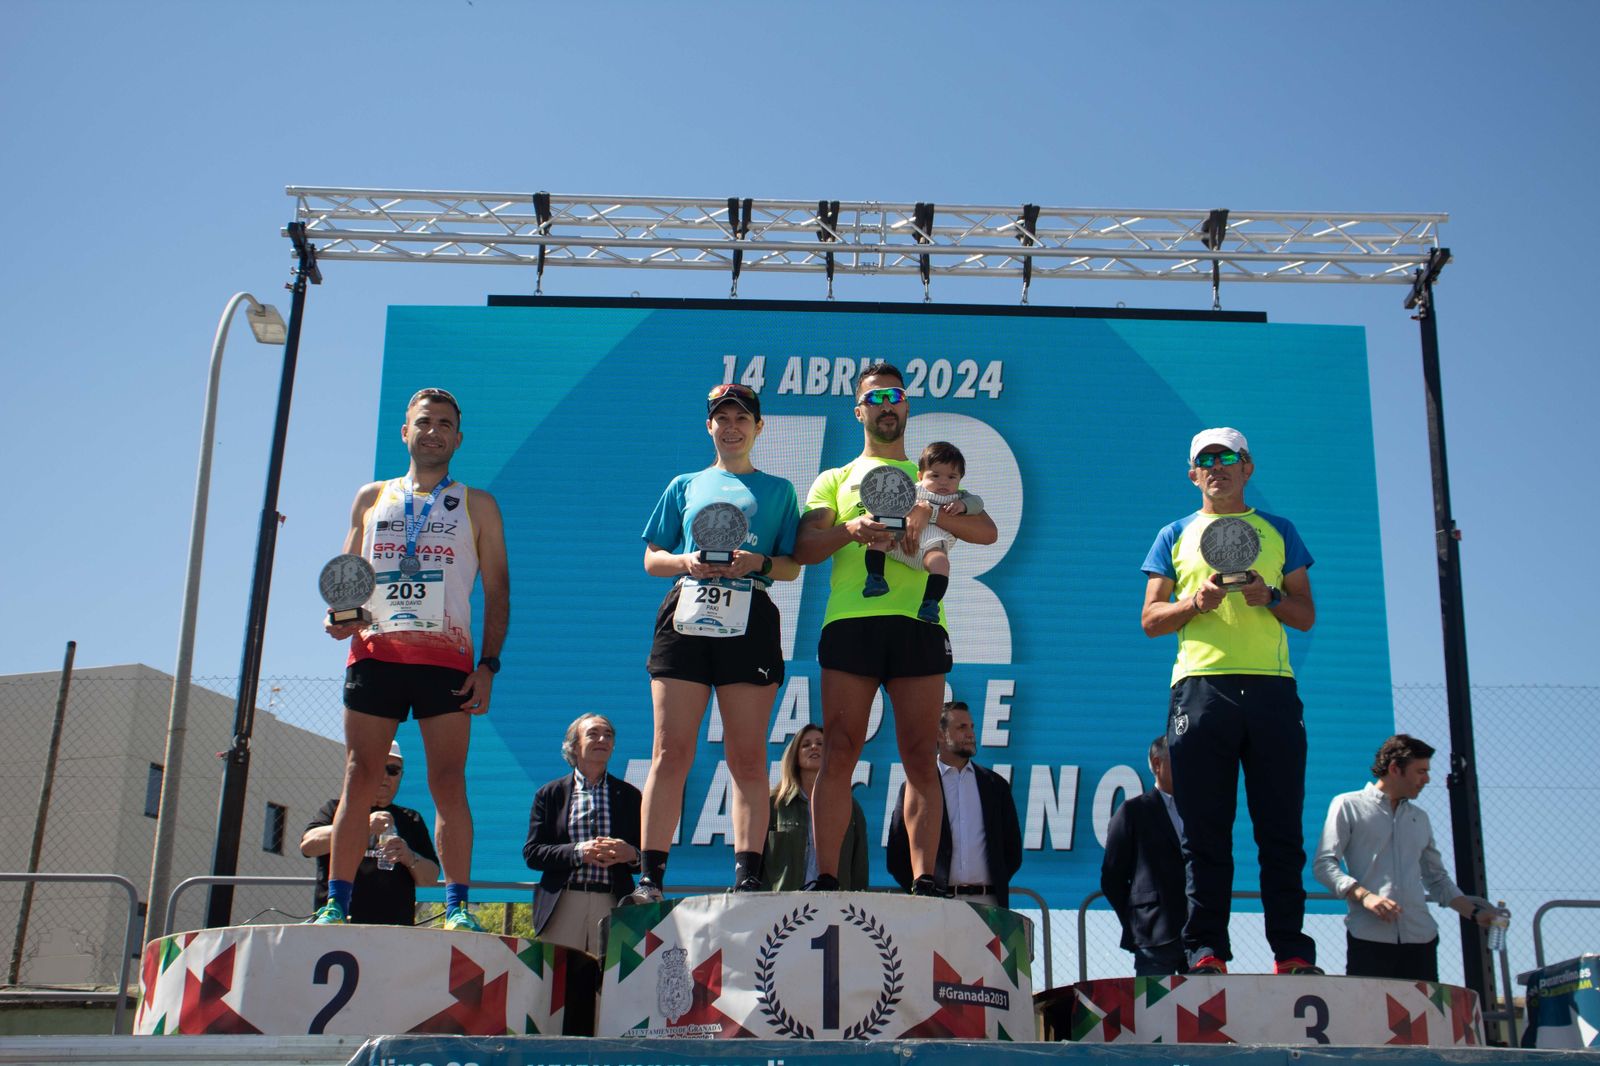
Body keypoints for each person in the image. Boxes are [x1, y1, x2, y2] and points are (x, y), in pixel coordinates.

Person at [795, 364, 998, 894]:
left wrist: (926, 508)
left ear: (906, 407)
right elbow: (805, 550)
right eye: (874, 398)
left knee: (918, 753)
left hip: (919, 627)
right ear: (858, 411)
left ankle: (925, 878)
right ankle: (827, 878)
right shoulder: (834, 479)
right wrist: (849, 528)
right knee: (841, 748)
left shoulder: (929, 473)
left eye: (896, 396)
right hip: (851, 624)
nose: (887, 405)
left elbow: (985, 530)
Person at [317, 387, 510, 931]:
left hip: (445, 660)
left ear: (458, 437)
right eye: (424, 422)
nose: (434, 432)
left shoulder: (479, 504)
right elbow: (346, 580)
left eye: (445, 423)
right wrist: (338, 616)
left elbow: (498, 591)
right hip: (375, 653)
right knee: (360, 775)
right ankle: (336, 903)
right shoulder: (370, 497)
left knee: (449, 781)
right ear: (405, 432)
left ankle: (456, 908)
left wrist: (488, 665)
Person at [1139, 426, 1318, 975]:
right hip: (1201, 690)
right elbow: (1150, 620)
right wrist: (1195, 602)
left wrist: (1272, 597)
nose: (1217, 467)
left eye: (1228, 458)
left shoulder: (1280, 530)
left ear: (1248, 468)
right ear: (1193, 474)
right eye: (1205, 460)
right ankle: (1205, 950)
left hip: (1272, 689)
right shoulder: (1174, 533)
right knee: (1204, 832)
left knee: (1280, 830)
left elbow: (1306, 615)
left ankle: (1290, 952)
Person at [627, 383, 802, 902]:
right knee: (670, 751)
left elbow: (792, 565)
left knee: (746, 756)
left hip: (749, 614)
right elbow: (652, 557)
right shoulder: (684, 484)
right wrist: (685, 562)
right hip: (687, 612)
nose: (731, 427)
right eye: (721, 418)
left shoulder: (779, 490)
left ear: (758, 427)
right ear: (709, 426)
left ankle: (748, 878)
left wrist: (760, 563)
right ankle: (650, 880)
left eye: (741, 419)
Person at [1313, 734, 1505, 981]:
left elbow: (1437, 880)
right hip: (1369, 938)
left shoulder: (1420, 818)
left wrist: (1476, 914)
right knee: (1371, 1018)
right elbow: (1324, 865)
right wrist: (1366, 896)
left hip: (1422, 940)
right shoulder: (1347, 805)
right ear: (1395, 769)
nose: (1427, 779)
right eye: (1420, 771)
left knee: (1421, 1019)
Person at [522, 714, 642, 955]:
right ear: (574, 746)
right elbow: (532, 853)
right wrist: (579, 852)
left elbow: (645, 856)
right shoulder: (550, 794)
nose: (602, 739)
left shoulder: (629, 795)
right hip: (564, 901)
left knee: (608, 986)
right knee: (559, 984)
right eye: (593, 734)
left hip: (613, 902)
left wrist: (630, 854)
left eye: (608, 735)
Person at [886, 700, 1021, 906]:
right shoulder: (917, 787)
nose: (970, 734)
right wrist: (927, 892)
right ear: (939, 735)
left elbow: (1012, 852)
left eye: (972, 727)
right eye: (961, 727)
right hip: (938, 906)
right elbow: (897, 854)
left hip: (990, 906)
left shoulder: (995, 785)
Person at [301, 741, 440, 926]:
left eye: (393, 770)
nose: (385, 776)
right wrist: (361, 826)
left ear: (401, 776)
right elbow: (308, 846)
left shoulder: (410, 818)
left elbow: (430, 878)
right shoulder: (337, 809)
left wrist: (409, 857)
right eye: (379, 767)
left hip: (392, 929)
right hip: (339, 925)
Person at [864, 441, 986, 624]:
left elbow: (978, 503)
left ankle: (929, 603)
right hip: (899, 538)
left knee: (941, 562)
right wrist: (880, 521)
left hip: (931, 547)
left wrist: (964, 505)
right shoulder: (911, 489)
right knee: (878, 532)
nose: (943, 482)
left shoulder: (960, 497)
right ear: (920, 476)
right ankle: (875, 578)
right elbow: (886, 506)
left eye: (952, 477)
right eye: (935, 475)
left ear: (960, 479)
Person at [1100, 736, 1189, 975]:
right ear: (1157, 763)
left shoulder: (1198, 811)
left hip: (1199, 939)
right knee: (1157, 1010)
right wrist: (1137, 922)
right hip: (1154, 939)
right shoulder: (1133, 812)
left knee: (1205, 1011)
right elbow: (1111, 878)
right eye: (1178, 758)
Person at [763, 724, 870, 891]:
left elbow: (859, 866)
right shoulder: (774, 804)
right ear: (794, 756)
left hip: (834, 904)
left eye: (821, 744)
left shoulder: (850, 806)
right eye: (806, 744)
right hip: (782, 907)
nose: (814, 747)